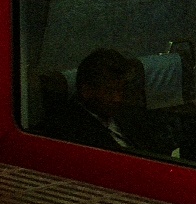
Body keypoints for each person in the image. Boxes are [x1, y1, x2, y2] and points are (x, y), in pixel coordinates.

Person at [39, 49, 176, 155]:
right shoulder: (70, 131)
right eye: (109, 92)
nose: (117, 98)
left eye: (121, 90)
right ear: (87, 91)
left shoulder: (128, 114)